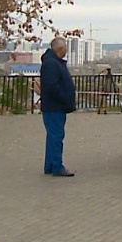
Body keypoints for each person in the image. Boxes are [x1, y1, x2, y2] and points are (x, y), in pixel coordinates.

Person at [40, 36, 76, 177]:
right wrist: (65, 98)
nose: (66, 50)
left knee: (53, 136)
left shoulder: (52, 62)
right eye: (65, 47)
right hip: (54, 107)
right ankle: (56, 166)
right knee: (56, 137)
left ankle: (50, 165)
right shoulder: (52, 64)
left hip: (54, 106)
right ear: (60, 49)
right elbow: (52, 86)